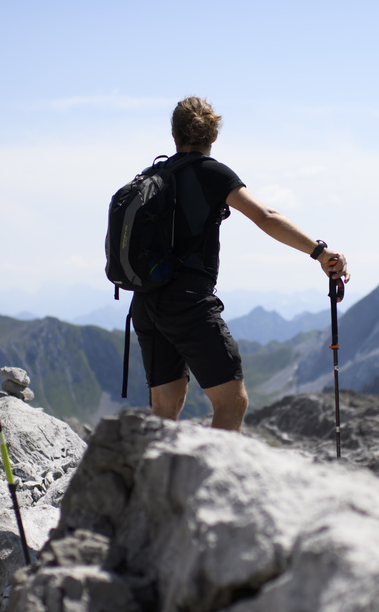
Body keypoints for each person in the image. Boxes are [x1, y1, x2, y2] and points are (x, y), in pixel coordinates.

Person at [131, 96, 350, 432]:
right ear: (213, 136)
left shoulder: (156, 175)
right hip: (187, 301)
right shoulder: (211, 173)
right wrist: (321, 252)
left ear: (174, 135)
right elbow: (265, 216)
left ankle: (154, 482)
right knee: (232, 401)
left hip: (146, 301)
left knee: (164, 408)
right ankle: (213, 484)